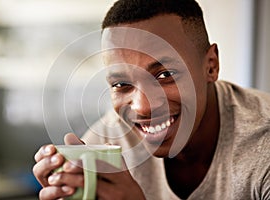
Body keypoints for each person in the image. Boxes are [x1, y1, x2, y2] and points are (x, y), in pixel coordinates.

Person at [33, 0, 270, 199]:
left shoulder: (263, 144)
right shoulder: (108, 143)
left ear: (211, 66)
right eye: (121, 84)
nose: (143, 106)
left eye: (165, 75)